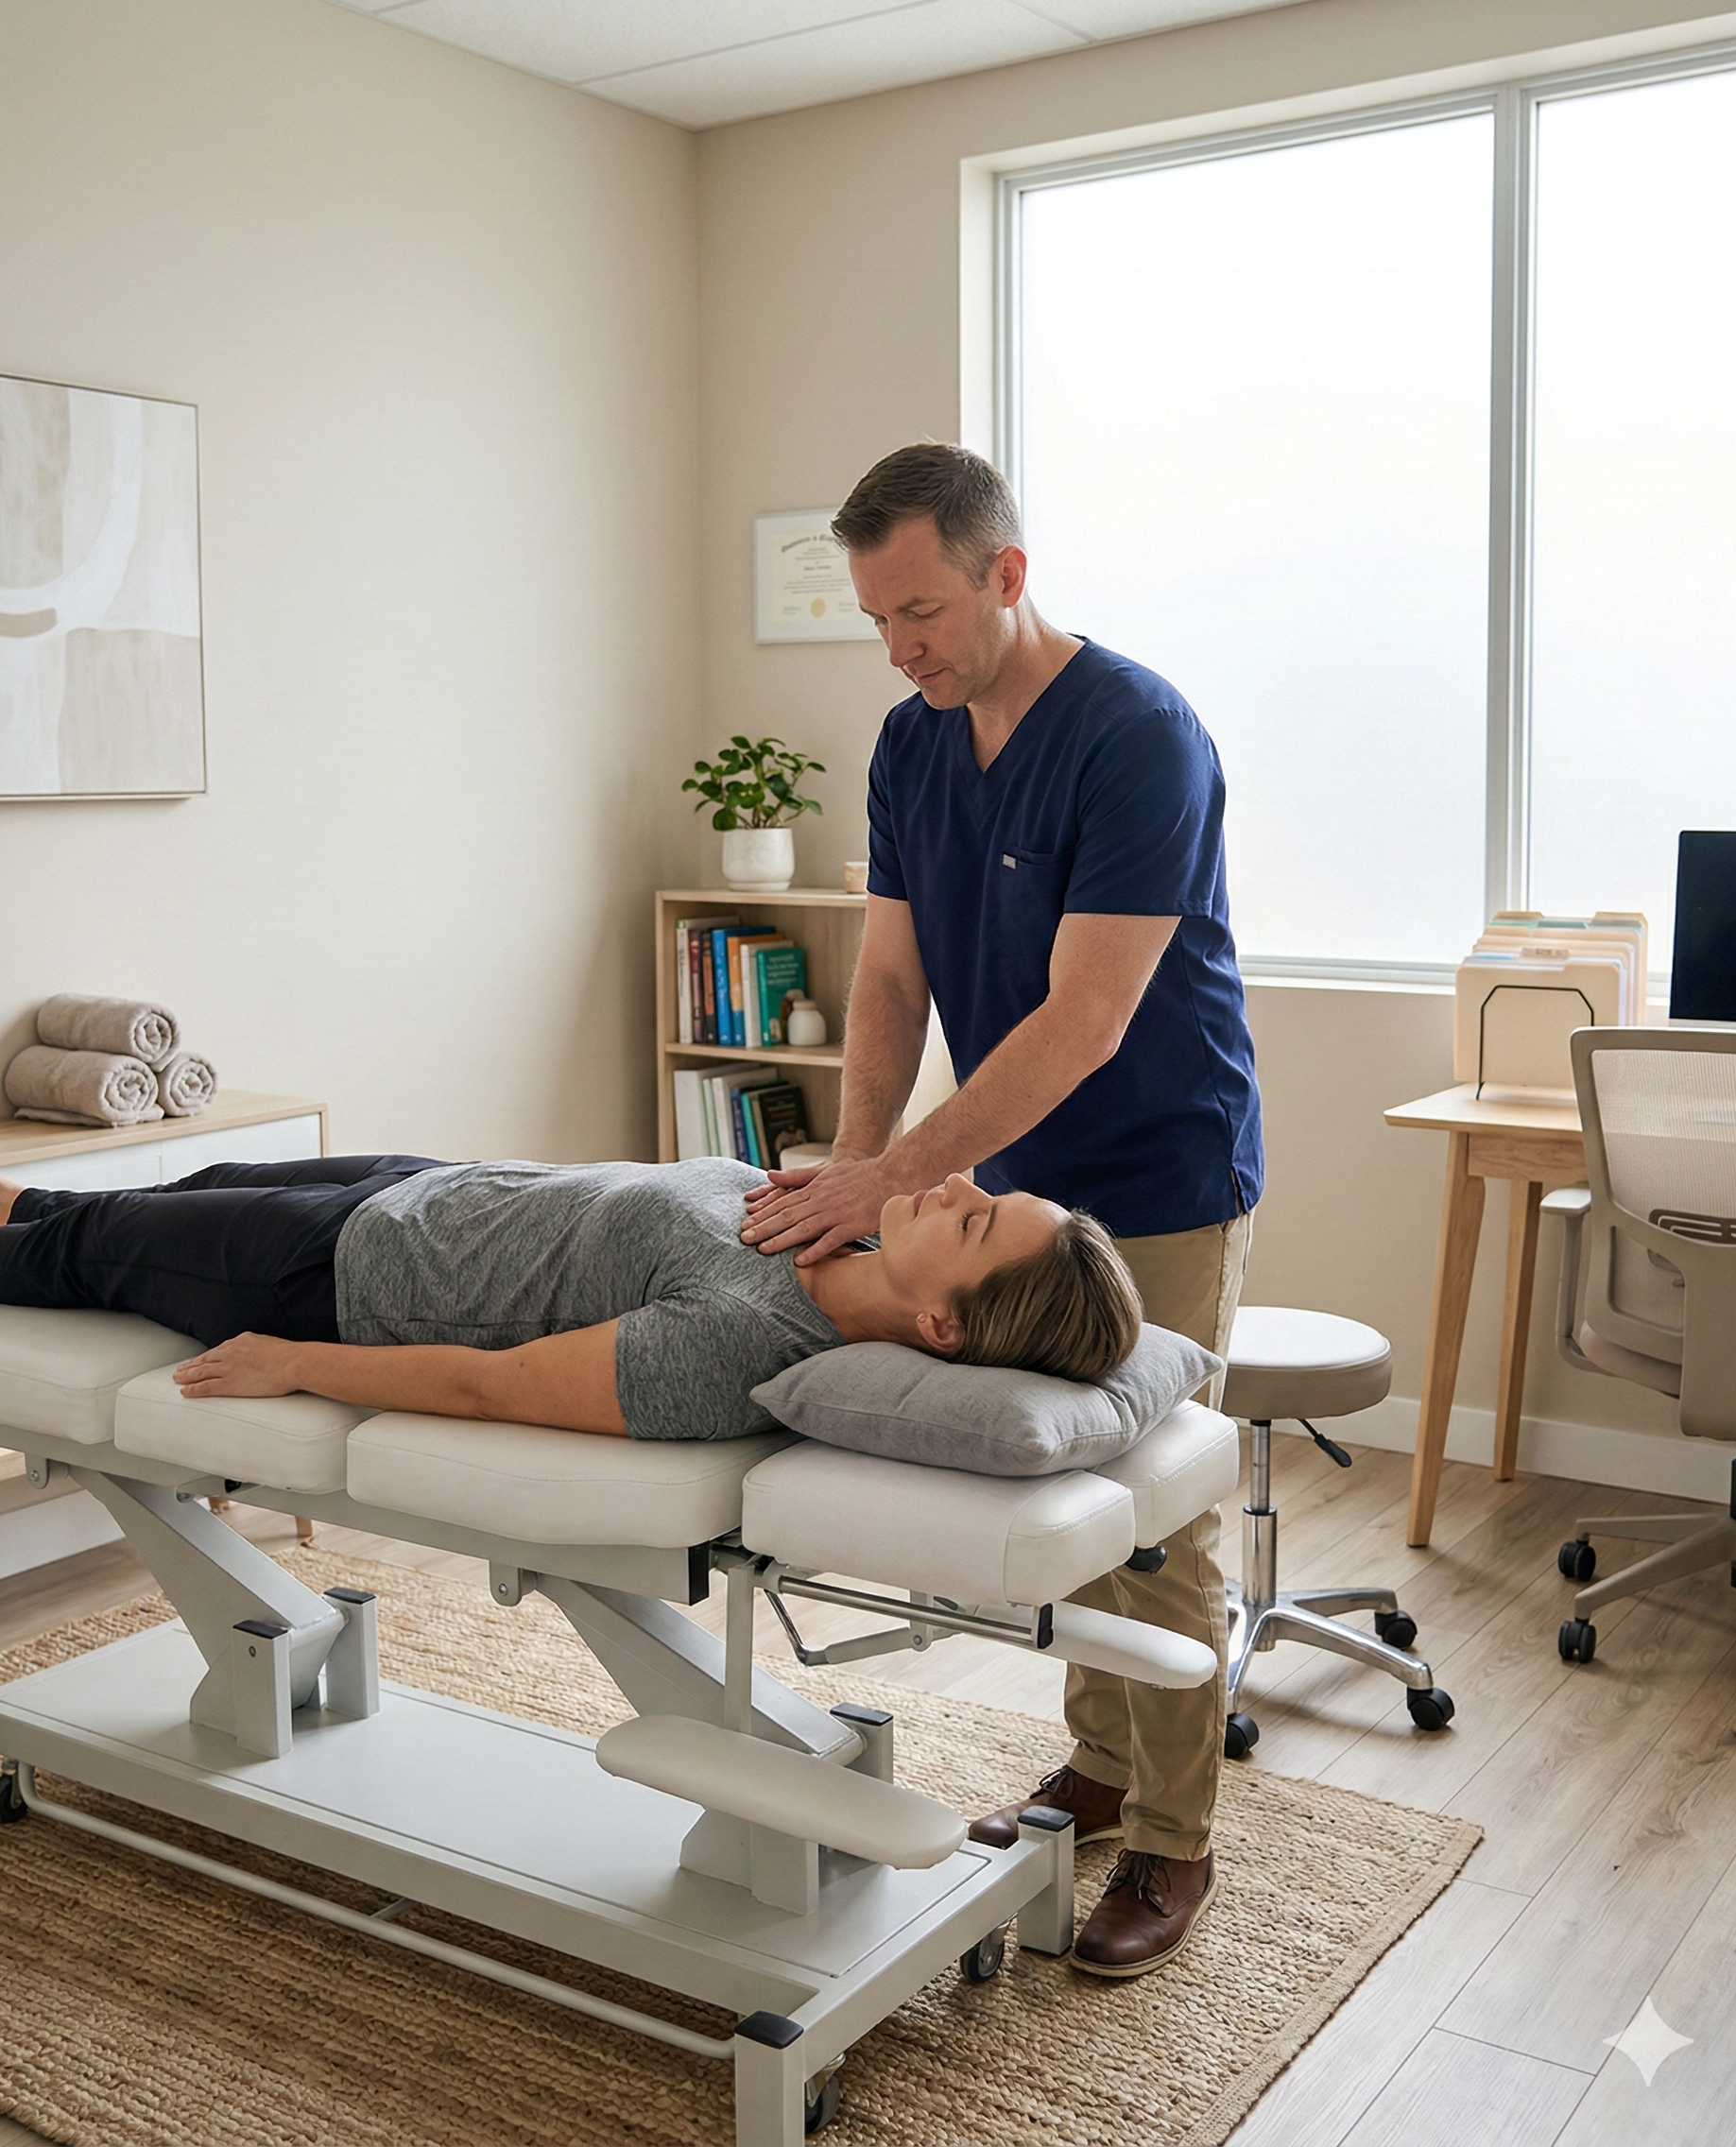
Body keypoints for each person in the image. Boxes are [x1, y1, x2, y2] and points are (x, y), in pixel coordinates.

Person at [741, 442, 1263, 1981]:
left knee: (1157, 1522)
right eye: (877, 622)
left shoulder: (1136, 735)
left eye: (917, 612)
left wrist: (892, 1178)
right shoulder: (912, 747)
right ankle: (1097, 1767)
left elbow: (1084, 1015)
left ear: (1003, 575)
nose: (897, 649)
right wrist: (853, 1173)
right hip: (1010, 1173)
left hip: (1158, 1171)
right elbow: (892, 977)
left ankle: (1174, 1842)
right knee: (1061, 1500)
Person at [0, 1152, 1141, 1439]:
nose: (951, 1183)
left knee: (71, 1245)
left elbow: (490, 1386)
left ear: (942, 1324)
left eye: (974, 1219)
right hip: (421, 1186)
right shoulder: (832, 1223)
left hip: (336, 1274)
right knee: (103, 1201)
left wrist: (294, 1363)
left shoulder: (737, 1343)